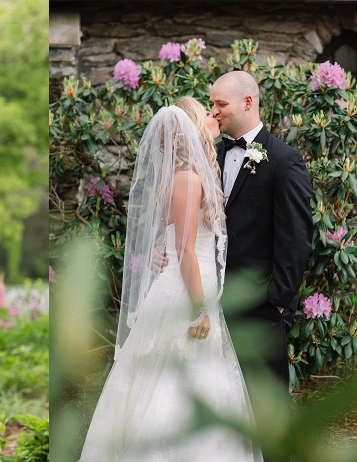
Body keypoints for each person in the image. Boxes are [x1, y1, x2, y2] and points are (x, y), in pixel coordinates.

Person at [79, 98, 261, 461]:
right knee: (175, 387)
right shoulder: (188, 178)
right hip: (186, 295)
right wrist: (198, 311)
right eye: (206, 113)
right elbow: (186, 250)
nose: (214, 116)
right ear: (192, 129)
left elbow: (168, 239)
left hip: (190, 287)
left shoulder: (189, 174)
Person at [210, 71, 313, 390]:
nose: (213, 111)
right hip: (213, 303)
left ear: (248, 102)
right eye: (211, 103)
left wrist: (278, 303)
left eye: (221, 104)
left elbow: (296, 237)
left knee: (264, 403)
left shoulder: (284, 161)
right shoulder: (212, 154)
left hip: (261, 308)